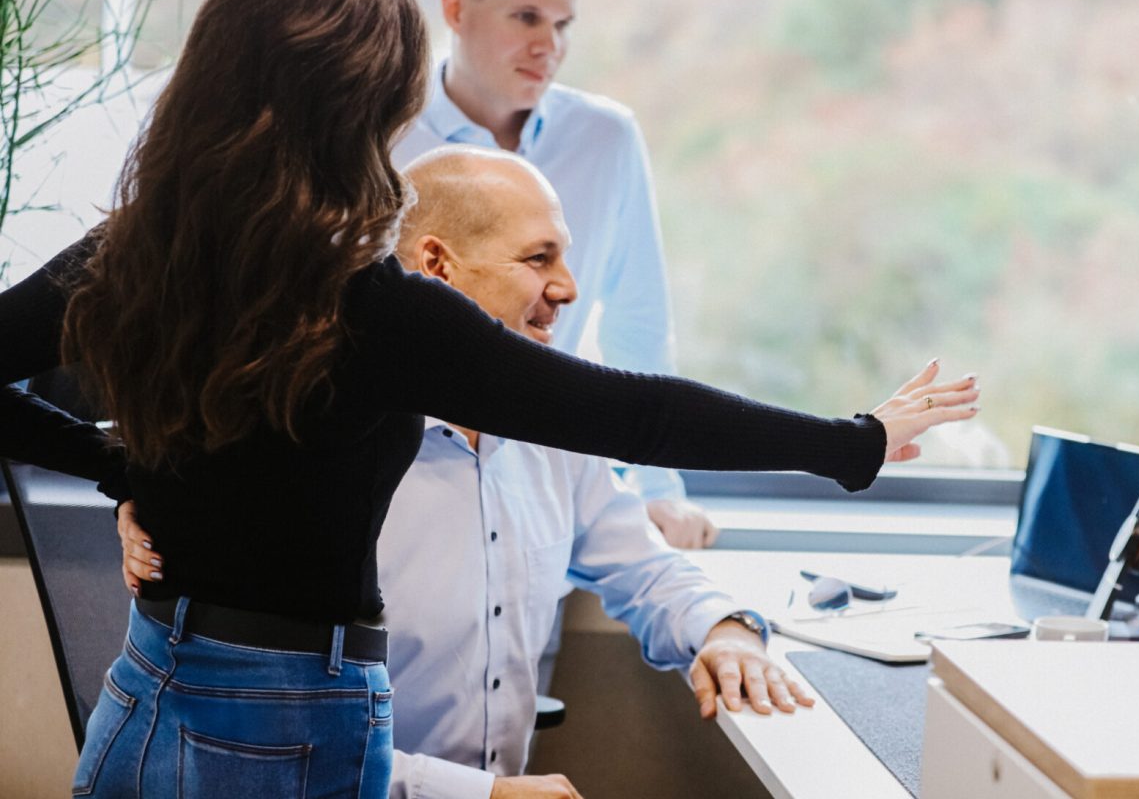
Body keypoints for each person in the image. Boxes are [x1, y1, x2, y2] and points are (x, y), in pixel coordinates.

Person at [0, 0, 977, 798]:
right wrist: (851, 443)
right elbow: (630, 413)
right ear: (359, 110)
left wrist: (115, 468)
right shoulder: (368, 308)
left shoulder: (132, 252)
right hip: (290, 715)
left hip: (145, 691)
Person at [121, 148, 813, 799]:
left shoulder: (550, 433)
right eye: (539, 258)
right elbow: (265, 735)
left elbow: (644, 566)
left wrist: (723, 629)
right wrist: (476, 793)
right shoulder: (317, 457)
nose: (569, 288)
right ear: (436, 266)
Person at [390, 0, 714, 550]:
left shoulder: (606, 139)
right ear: (455, 8)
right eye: (527, 18)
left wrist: (656, 490)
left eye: (562, 25)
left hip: (550, 483)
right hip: (410, 484)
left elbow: (638, 324)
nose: (550, 46)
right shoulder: (384, 134)